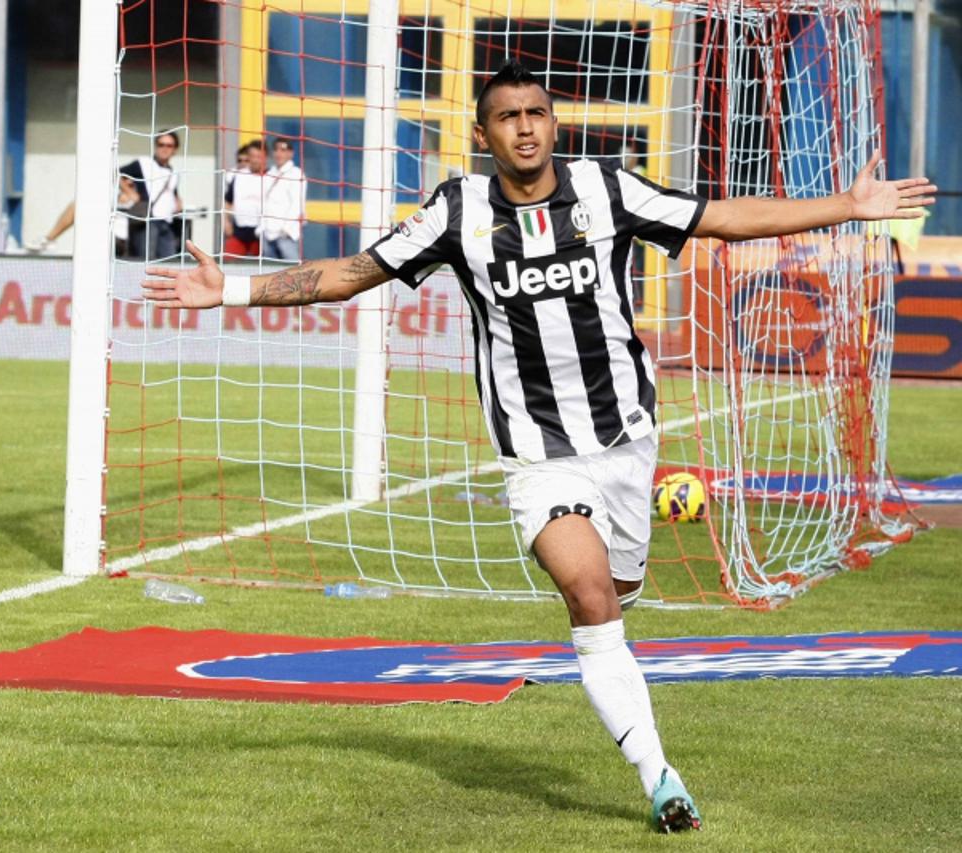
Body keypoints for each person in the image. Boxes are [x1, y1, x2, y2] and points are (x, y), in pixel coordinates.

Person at [143, 60, 935, 832]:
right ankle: (661, 779)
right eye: (507, 116)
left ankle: (625, 673)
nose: (524, 128)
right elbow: (355, 273)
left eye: (536, 113)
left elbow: (720, 218)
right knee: (589, 600)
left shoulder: (608, 188)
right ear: (482, 133)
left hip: (627, 444)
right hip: (538, 457)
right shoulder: (456, 212)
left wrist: (848, 205)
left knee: (618, 596)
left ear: (553, 123)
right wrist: (235, 289)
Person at [27, 175, 140, 256]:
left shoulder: (134, 200)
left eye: (130, 182)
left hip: (119, 242)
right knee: (78, 204)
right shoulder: (111, 197)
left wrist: (119, 179)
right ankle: (49, 239)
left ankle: (48, 240)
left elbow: (134, 197)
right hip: (102, 236)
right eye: (124, 179)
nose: (127, 183)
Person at [121, 131, 183, 260]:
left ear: (175, 149)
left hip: (167, 222)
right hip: (148, 221)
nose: (164, 148)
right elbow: (115, 173)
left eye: (169, 145)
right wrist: (129, 192)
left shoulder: (174, 172)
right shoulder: (143, 163)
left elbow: (172, 192)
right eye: (161, 144)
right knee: (147, 261)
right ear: (156, 146)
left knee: (169, 261)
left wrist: (178, 201)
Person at [260, 138, 306, 260]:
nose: (279, 153)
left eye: (283, 150)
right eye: (276, 150)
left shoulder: (296, 173)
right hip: (268, 233)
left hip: (286, 234)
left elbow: (297, 205)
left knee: (292, 271)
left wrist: (285, 230)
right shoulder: (270, 173)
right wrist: (261, 227)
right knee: (269, 272)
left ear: (291, 153)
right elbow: (264, 201)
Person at [223, 139, 266, 257]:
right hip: (238, 231)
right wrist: (226, 223)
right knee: (228, 263)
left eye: (259, 156)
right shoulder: (238, 176)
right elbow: (228, 201)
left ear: (265, 157)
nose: (255, 160)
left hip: (262, 234)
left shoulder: (271, 177)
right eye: (252, 156)